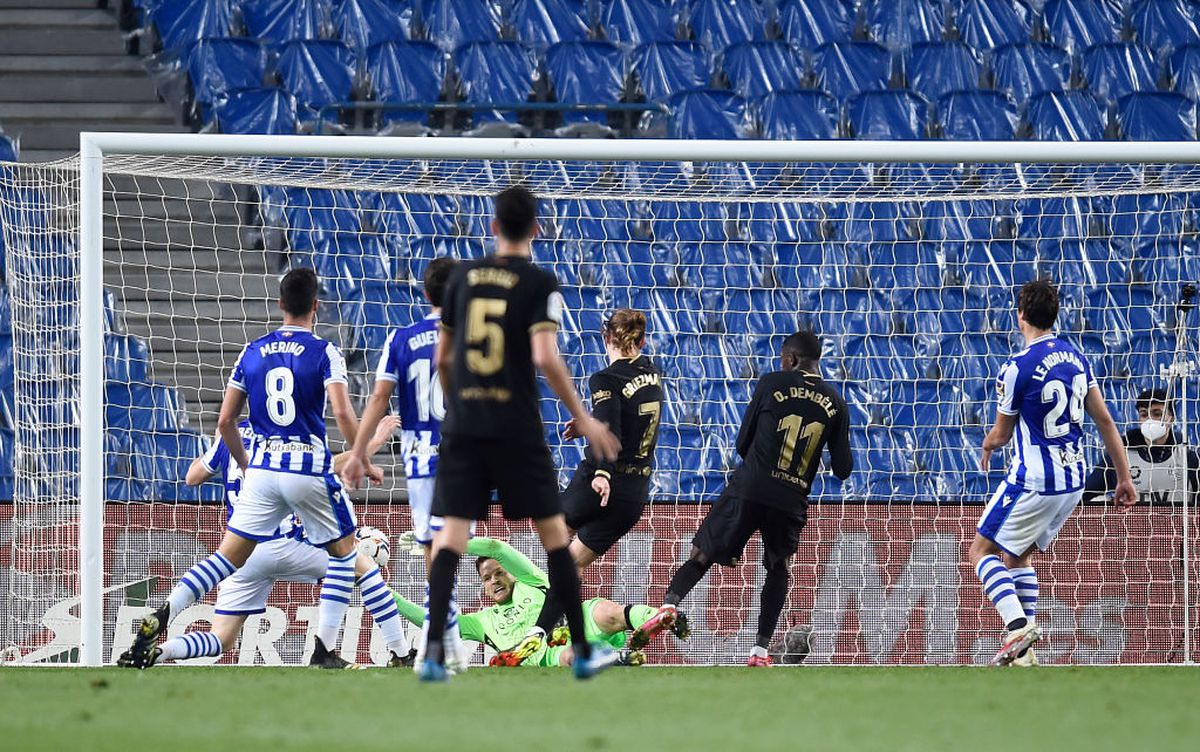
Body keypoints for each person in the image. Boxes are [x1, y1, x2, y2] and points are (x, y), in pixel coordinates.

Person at [120, 268, 407, 670]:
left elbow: (221, 427)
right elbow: (341, 411)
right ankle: (377, 651)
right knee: (356, 559)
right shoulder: (325, 352)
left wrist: (243, 463)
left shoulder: (250, 351)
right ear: (316, 306)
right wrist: (364, 450)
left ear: (278, 305)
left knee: (222, 566)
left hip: (260, 478)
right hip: (301, 473)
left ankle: (164, 617)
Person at [417, 185, 621, 682]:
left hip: (465, 425)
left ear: (492, 226)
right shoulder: (538, 281)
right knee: (555, 538)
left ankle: (433, 656)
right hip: (516, 425)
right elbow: (546, 358)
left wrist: (462, 404)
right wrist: (586, 417)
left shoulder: (463, 278)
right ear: (535, 228)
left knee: (451, 536)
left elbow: (444, 358)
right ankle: (581, 649)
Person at [130, 416, 402, 668]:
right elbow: (329, 466)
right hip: (281, 543)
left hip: (241, 552)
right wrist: (376, 441)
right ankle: (396, 653)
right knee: (362, 565)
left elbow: (192, 477)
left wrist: (218, 447)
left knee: (221, 638)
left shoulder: (230, 437)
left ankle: (159, 651)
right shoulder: (278, 440)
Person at [659, 331, 853, 667]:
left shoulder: (771, 383)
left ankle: (668, 606)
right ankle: (761, 652)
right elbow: (843, 469)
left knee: (701, 554)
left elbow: (741, 443)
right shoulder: (836, 402)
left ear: (790, 358)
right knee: (779, 569)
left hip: (750, 487)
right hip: (791, 498)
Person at [973, 279, 1136, 667]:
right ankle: (1024, 654)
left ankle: (1016, 627)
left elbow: (1003, 430)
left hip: (1034, 479)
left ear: (1021, 315)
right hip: (1073, 481)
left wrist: (989, 443)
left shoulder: (1016, 367)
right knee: (1020, 557)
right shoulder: (1076, 358)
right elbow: (1106, 421)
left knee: (981, 552)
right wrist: (1124, 477)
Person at [340, 256, 472, 670]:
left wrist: (359, 452)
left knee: (437, 549)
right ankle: (440, 645)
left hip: (417, 457)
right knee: (448, 550)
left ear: (425, 292)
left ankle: (444, 645)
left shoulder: (402, 337)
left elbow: (379, 399)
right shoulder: (471, 337)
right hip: (459, 452)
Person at [516, 308, 666, 663]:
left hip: (601, 482)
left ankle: (548, 623)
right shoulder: (653, 374)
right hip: (635, 494)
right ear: (642, 341)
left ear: (605, 337)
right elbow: (622, 419)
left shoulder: (605, 378)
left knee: (549, 532)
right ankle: (542, 630)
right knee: (570, 564)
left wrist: (602, 473)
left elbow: (611, 427)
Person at [390, 536, 688, 668]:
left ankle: (658, 618)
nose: (494, 580)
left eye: (498, 573)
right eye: (487, 578)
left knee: (605, 610)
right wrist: (381, 590)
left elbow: (496, 547)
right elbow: (428, 619)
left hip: (575, 620)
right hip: (546, 652)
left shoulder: (531, 581)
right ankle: (617, 658)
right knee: (571, 656)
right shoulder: (482, 621)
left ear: (511, 574)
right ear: (483, 587)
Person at [1082, 387, 1200, 506]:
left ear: (1172, 419)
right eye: (1144, 415)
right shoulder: (1120, 457)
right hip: (1130, 524)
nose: (1150, 420)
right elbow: (1084, 496)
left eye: (1157, 414)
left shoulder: (1188, 459)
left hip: (1178, 523)